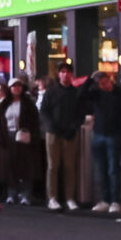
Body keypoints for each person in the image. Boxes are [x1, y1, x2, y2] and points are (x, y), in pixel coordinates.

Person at [39, 62, 88, 211]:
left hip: (69, 134)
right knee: (52, 166)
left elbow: (80, 113)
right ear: (58, 74)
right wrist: (51, 125)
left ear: (71, 74)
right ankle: (52, 197)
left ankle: (69, 197)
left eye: (68, 72)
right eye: (62, 72)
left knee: (69, 166)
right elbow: (44, 111)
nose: (65, 75)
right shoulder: (51, 92)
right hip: (53, 133)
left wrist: (73, 127)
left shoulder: (76, 93)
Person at [85, 72, 121, 214]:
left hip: (113, 135)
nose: (103, 86)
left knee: (113, 170)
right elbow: (81, 95)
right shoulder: (97, 94)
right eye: (100, 84)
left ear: (109, 80)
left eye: (105, 82)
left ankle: (114, 200)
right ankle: (106, 199)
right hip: (100, 134)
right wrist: (90, 80)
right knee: (102, 169)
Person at [0, 77, 41, 205]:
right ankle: (11, 193)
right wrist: (1, 138)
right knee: (10, 166)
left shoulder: (28, 104)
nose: (17, 88)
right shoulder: (4, 104)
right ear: (9, 89)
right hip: (8, 137)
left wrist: (33, 136)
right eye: (14, 86)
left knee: (26, 166)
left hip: (24, 137)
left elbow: (35, 122)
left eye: (19, 86)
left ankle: (26, 194)